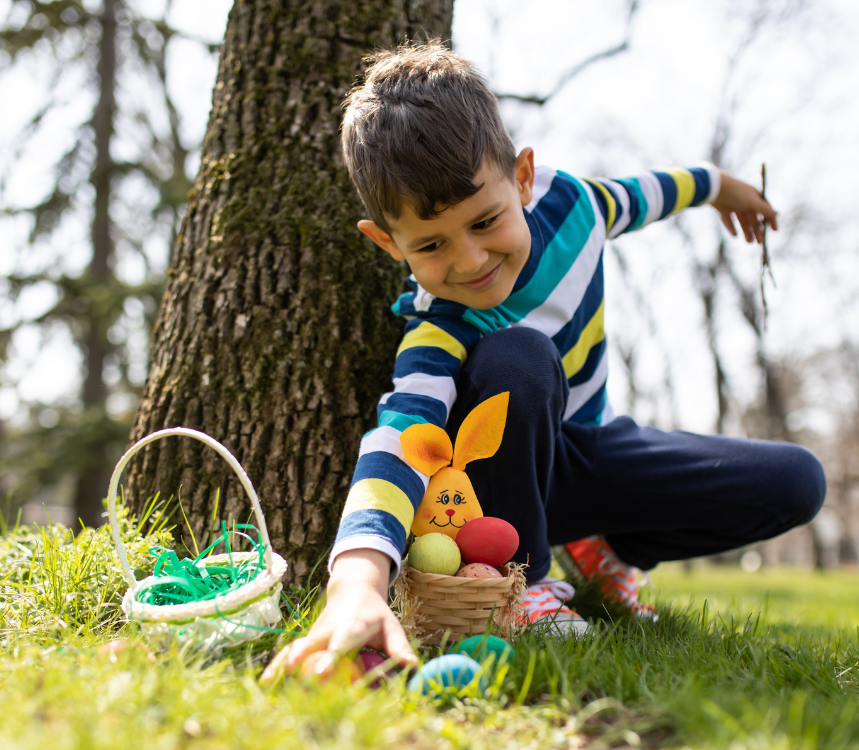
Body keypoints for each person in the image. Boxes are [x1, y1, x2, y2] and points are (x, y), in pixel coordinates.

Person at [262, 41, 825, 680]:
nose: (470, 260)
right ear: (389, 244)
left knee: (796, 482)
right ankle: (523, 579)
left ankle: (604, 547)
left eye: (486, 220)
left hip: (592, 452)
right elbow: (396, 440)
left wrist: (723, 188)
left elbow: (656, 191)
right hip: (496, 497)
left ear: (523, 177)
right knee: (518, 356)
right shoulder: (439, 325)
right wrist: (356, 586)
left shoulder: (578, 208)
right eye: (432, 244)